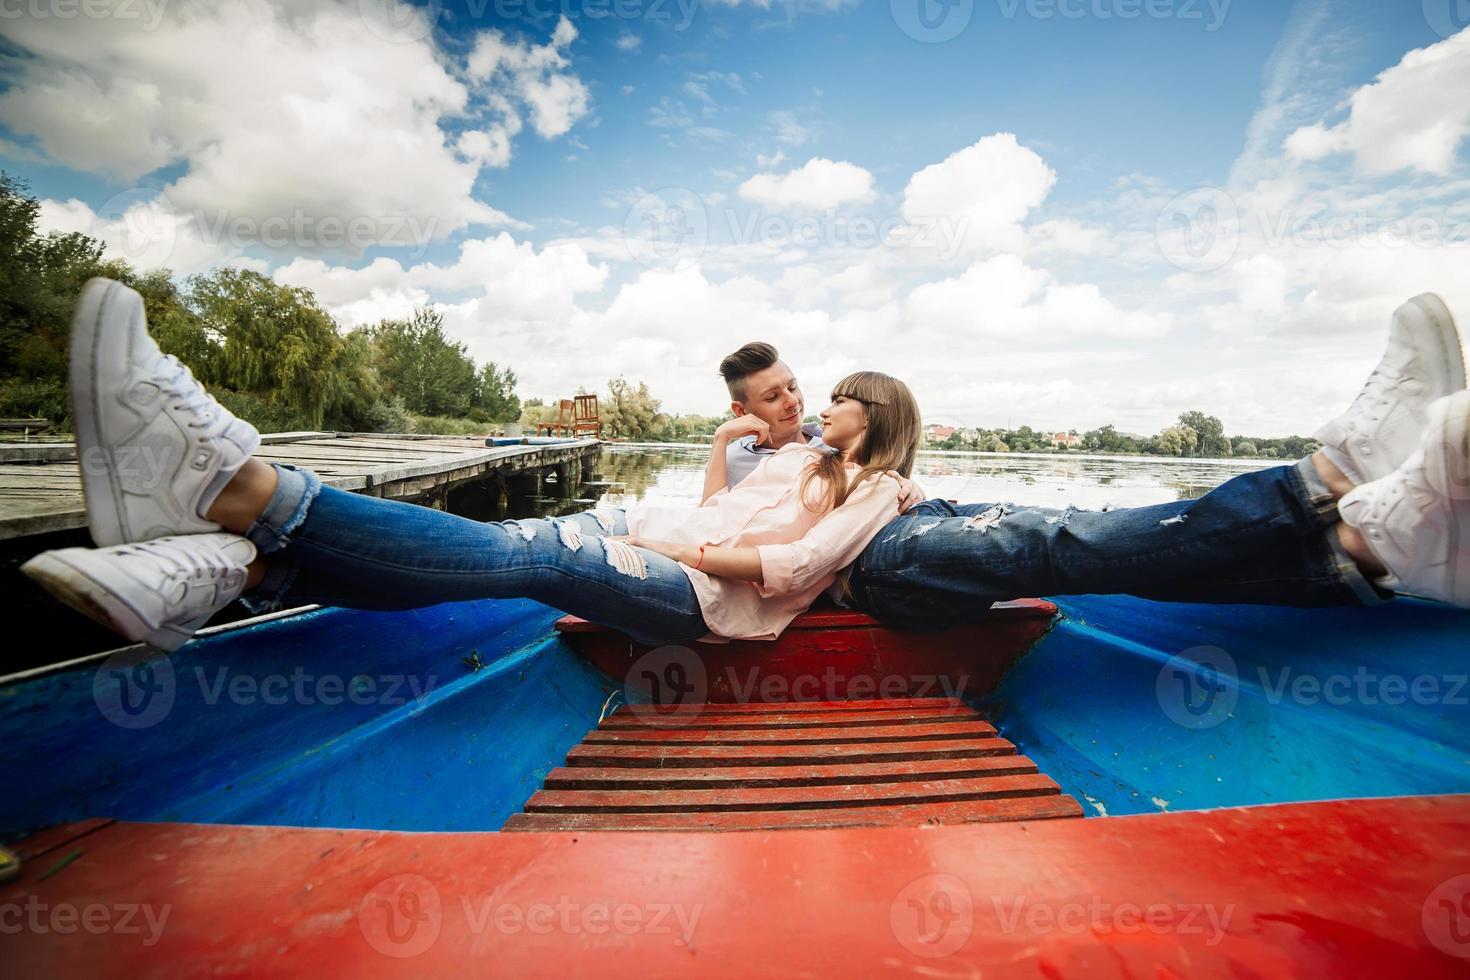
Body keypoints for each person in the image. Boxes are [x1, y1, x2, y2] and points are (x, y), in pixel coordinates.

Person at [22, 279, 923, 651]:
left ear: (872, 417)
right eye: (792, 393)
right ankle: (249, 569)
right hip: (646, 535)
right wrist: (728, 454)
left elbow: (796, 565)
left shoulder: (879, 484)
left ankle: (234, 487)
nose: (811, 403)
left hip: (695, 594)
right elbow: (717, 512)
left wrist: (685, 553)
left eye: (828, 395)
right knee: (491, 546)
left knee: (523, 560)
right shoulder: (788, 454)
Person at [711, 300, 1470, 626]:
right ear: (744, 407)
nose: (799, 404)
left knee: (1106, 544)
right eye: (774, 397)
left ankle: (1371, 551)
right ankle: (1329, 476)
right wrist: (722, 447)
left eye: (800, 390)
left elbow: (878, 473)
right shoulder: (753, 461)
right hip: (869, 565)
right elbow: (726, 527)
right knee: (1061, 543)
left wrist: (879, 483)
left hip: (902, 535)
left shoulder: (822, 447)